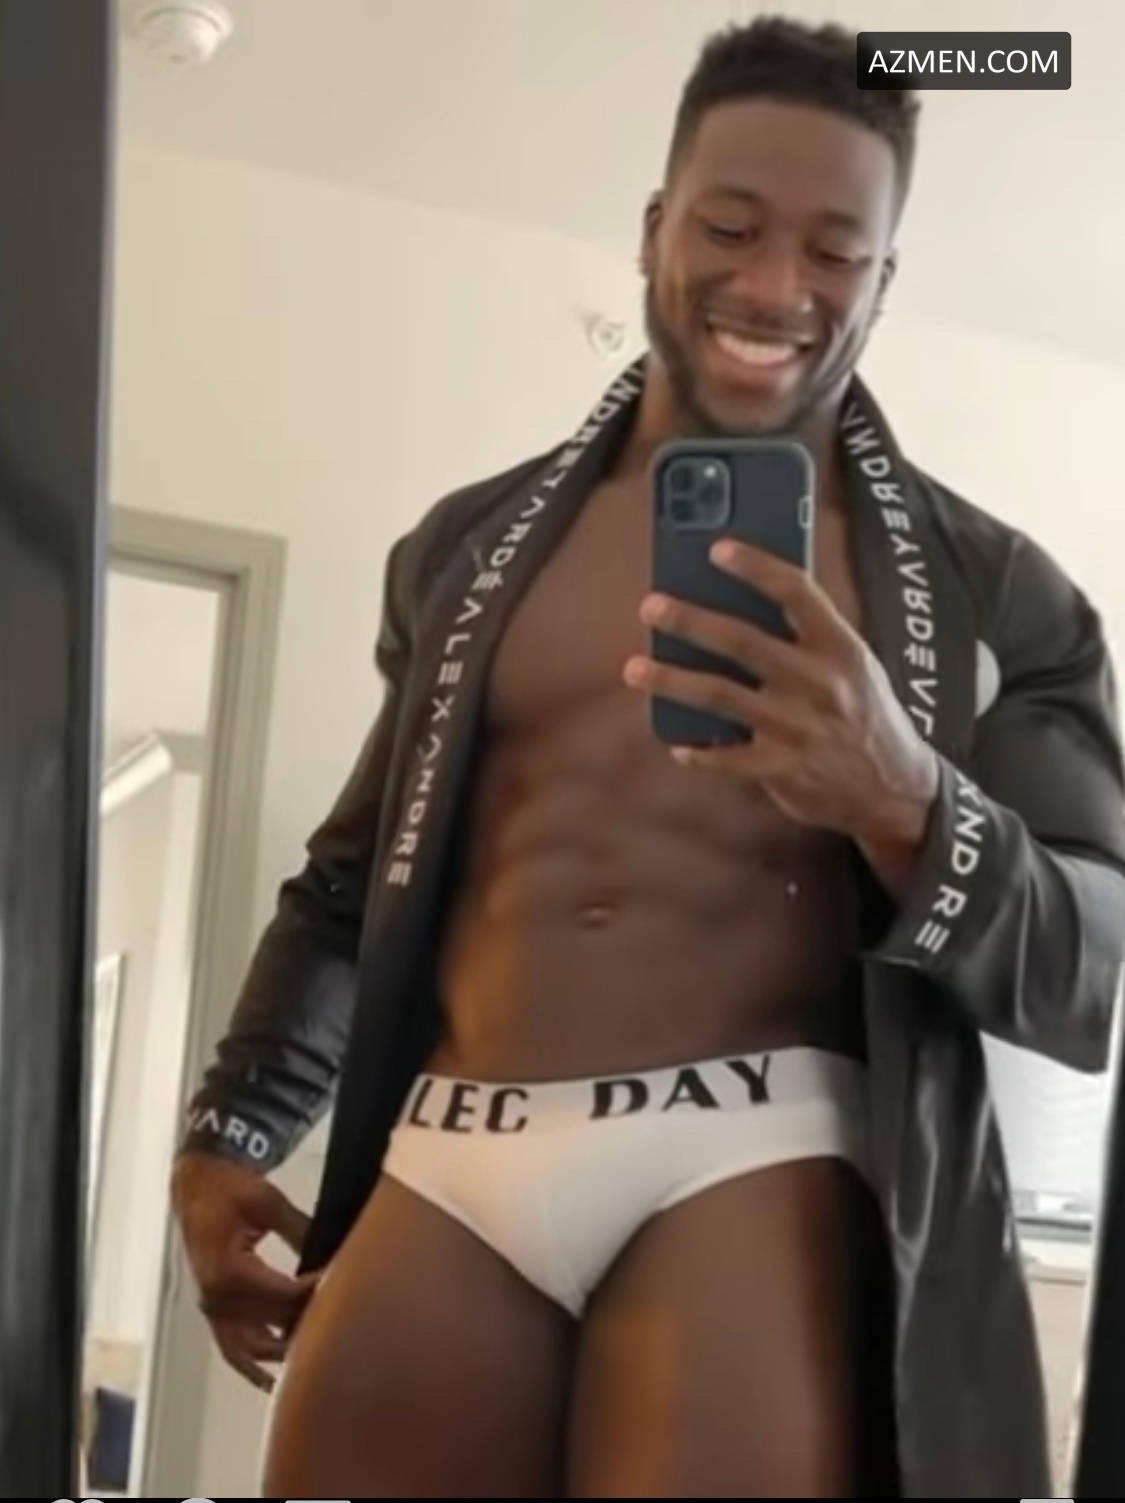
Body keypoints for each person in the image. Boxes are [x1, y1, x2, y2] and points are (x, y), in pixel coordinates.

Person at [170, 16, 1125, 1499]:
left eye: (833, 252)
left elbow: (1093, 968)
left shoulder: (999, 595)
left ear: (883, 282)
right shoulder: (462, 550)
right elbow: (356, 885)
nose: (775, 287)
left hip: (753, 1145)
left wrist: (906, 799)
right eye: (731, 229)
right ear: (652, 229)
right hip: (456, 1141)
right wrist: (230, 1128)